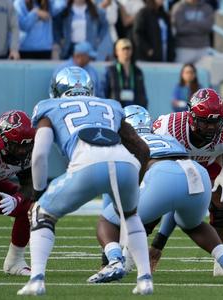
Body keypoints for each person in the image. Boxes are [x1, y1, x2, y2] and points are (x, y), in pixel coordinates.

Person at [17, 66, 153, 296]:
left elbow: (39, 154)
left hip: (88, 161)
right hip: (125, 162)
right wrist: (133, 178)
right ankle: (145, 279)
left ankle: (36, 279)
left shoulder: (48, 107)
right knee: (130, 215)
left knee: (42, 212)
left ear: (55, 89)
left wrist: (38, 193)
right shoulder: (110, 105)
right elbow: (141, 148)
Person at [89, 105, 223, 284]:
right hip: (197, 173)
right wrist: (158, 243)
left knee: (108, 220)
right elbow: (173, 200)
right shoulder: (166, 137)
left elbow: (114, 188)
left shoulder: (127, 142)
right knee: (194, 225)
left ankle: (114, 262)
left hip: (163, 174)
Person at [152, 88, 223, 277]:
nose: (211, 127)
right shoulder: (169, 127)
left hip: (206, 168)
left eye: (215, 122)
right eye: (205, 122)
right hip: (171, 166)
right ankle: (127, 255)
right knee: (152, 206)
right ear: (192, 116)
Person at [0, 110, 35, 276]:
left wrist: (17, 200)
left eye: (26, 145)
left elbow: (31, 186)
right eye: (17, 145)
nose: (22, 151)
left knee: (31, 206)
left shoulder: (30, 152)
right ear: (2, 141)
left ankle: (14, 261)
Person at [104, 38, 148, 108]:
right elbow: (104, 93)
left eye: (128, 49)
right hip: (116, 111)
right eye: (123, 49)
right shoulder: (110, 71)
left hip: (134, 112)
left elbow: (142, 94)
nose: (126, 51)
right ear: (116, 51)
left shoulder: (138, 71)